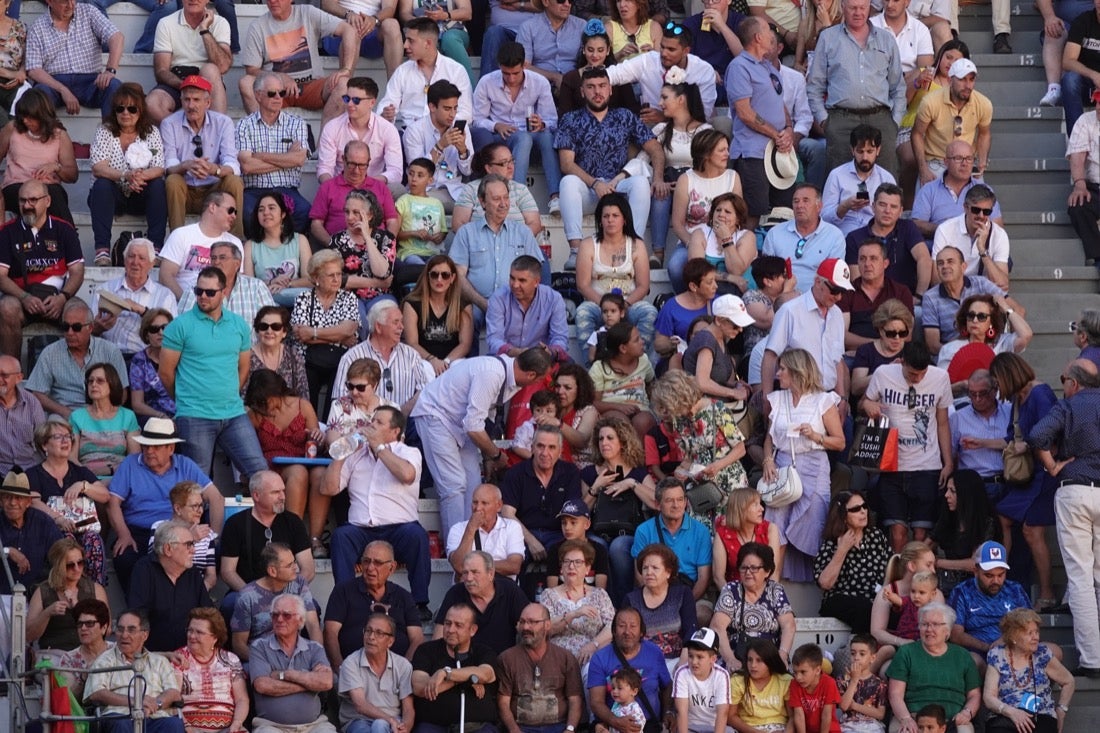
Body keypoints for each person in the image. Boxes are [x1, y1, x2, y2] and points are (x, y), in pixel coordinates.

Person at [412, 348, 554, 539]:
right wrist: (495, 454)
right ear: (531, 374)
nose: (538, 384)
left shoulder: (509, 374)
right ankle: (456, 548)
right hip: (435, 414)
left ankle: (473, 544)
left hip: (459, 422)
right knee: (454, 485)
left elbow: (483, 420)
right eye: (538, 379)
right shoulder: (492, 373)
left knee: (473, 484)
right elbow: (473, 426)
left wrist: (488, 456)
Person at [321, 406, 430, 619]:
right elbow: (328, 489)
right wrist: (341, 454)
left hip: (400, 529)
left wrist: (379, 448)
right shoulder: (357, 455)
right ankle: (347, 601)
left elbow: (407, 475)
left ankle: (420, 603)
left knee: (417, 536)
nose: (371, 425)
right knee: (341, 537)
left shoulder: (409, 452)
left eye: (379, 422)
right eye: (372, 420)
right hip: (361, 529)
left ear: (395, 431)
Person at [160, 265, 267, 481]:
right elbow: (165, 373)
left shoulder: (238, 324)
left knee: (260, 473)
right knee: (197, 483)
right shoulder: (180, 325)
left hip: (233, 413)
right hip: (194, 414)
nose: (203, 297)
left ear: (224, 292)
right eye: (198, 291)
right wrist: (184, 400)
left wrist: (228, 393)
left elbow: (244, 367)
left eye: (210, 292)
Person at [1029, 358, 1100, 676]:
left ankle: (1093, 660)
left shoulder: (1067, 406)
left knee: (1081, 580)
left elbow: (1037, 435)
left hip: (1075, 490)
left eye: (1062, 378)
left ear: (1073, 382)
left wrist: (1052, 465)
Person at [554, 67, 664, 270]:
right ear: (582, 92)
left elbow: (655, 148)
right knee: (567, 182)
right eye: (591, 87)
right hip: (587, 191)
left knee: (640, 183)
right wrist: (595, 184)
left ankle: (633, 248)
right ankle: (576, 251)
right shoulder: (570, 119)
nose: (597, 92)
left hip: (617, 187)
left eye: (603, 86)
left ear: (611, 90)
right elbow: (566, 164)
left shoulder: (624, 116)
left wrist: (657, 177)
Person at [105, 417, 221, 592]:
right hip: (139, 532)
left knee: (214, 553)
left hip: (180, 531)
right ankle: (137, 613)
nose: (149, 451)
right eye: (146, 446)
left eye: (156, 446)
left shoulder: (185, 465)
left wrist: (214, 535)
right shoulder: (130, 464)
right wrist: (123, 534)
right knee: (125, 557)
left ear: (171, 448)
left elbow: (216, 498)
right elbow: (112, 503)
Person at [761, 348, 846, 579]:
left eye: (783, 369)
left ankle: (816, 580)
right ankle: (774, 580)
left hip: (814, 464)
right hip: (783, 465)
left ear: (797, 371)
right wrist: (768, 460)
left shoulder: (823, 400)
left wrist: (815, 436)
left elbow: (840, 442)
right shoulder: (777, 399)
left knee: (813, 520)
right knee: (776, 522)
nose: (778, 374)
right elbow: (769, 438)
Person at [861, 341, 952, 551]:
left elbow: (943, 422)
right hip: (892, 465)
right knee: (897, 533)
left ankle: (918, 580)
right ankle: (897, 579)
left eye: (922, 373)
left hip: (927, 465)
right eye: (912, 374)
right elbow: (863, 402)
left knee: (921, 534)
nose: (917, 378)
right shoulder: (884, 373)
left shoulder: (940, 378)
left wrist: (947, 462)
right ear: (901, 362)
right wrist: (868, 404)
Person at [988, 353, 1058, 607]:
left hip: (1044, 473)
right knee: (1005, 517)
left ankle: (1047, 592)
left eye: (997, 380)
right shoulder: (1019, 399)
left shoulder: (1040, 394)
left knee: (1032, 530)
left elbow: (1052, 431)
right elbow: (1011, 436)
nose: (996, 386)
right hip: (1029, 474)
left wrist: (1026, 445)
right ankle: (1004, 581)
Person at [806, 0, 905, 175]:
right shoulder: (828, 38)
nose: (858, 12)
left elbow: (898, 87)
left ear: (870, 8)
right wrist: (825, 121)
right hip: (841, 121)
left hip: (881, 119)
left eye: (862, 8)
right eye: (852, 8)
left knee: (886, 183)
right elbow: (815, 85)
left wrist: (894, 123)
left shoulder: (886, 39)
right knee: (840, 181)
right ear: (843, 6)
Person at [472, 42, 561, 214]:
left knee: (546, 137)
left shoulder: (539, 82)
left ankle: (555, 197)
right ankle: (515, 195)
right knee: (523, 137)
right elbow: (477, 119)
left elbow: (552, 120)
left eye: (515, 73)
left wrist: (541, 123)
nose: (511, 79)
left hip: (529, 134)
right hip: (500, 136)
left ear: (524, 66)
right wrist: (496, 125)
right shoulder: (487, 82)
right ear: (499, 67)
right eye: (506, 73)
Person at [0, 179, 84, 359]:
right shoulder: (7, 232)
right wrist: (24, 297)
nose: (27, 205)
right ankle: (11, 372)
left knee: (80, 311)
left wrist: (63, 297)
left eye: (33, 200)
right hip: (21, 298)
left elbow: (77, 271)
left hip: (57, 298)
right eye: (22, 201)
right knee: (7, 307)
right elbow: (1, 276)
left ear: (47, 201)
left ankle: (78, 374)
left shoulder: (64, 229)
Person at [238, 0, 357, 127]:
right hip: (276, 91)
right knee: (246, 83)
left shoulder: (307, 13)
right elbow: (251, 70)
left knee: (344, 83)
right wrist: (279, 78)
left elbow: (348, 30)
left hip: (311, 86)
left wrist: (346, 69)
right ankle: (267, 139)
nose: (272, 1)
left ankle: (325, 144)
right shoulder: (257, 26)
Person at [580, 415, 658, 603]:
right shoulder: (589, 473)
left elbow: (657, 502)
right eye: (600, 439)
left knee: (619, 546)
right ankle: (600, 601)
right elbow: (580, 513)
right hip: (598, 531)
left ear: (622, 442)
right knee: (596, 545)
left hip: (629, 533)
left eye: (610, 438)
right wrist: (595, 487)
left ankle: (624, 601)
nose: (604, 443)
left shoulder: (637, 472)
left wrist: (632, 484)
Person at [218, 469, 314, 618]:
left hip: (288, 592)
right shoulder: (235, 524)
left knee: (314, 609)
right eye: (275, 492)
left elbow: (308, 568)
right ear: (256, 495)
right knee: (230, 605)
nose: (283, 496)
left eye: (283, 491)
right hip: (248, 590)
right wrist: (252, 595)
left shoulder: (293, 522)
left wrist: (288, 595)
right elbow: (227, 571)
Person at [159, 76, 245, 239]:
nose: (191, 105)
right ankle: (176, 240)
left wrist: (215, 170)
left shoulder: (223, 122)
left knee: (234, 181)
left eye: (196, 100)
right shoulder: (169, 124)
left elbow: (233, 164)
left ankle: (235, 241)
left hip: (214, 192)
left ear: (208, 102)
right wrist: (186, 166)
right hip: (186, 191)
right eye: (187, 100)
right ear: (181, 101)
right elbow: (169, 166)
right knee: (173, 181)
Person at [88, 85, 168, 261]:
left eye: (132, 109)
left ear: (140, 111)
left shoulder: (151, 132)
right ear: (114, 111)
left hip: (140, 194)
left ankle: (155, 247)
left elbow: (159, 167)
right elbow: (98, 167)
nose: (126, 113)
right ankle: (102, 249)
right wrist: (126, 175)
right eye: (120, 108)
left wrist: (139, 176)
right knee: (101, 184)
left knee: (158, 185)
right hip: (113, 195)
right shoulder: (105, 130)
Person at [449, 174, 544, 322]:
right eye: (496, 199)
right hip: (477, 303)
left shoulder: (523, 232)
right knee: (468, 316)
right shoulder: (466, 233)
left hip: (516, 301)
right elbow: (458, 276)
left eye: (506, 198)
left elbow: (535, 274)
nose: (503, 204)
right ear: (482, 202)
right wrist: (483, 303)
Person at [26, 420, 109, 585]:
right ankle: (66, 589)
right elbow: (33, 502)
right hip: (51, 531)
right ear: (44, 445)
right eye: (58, 437)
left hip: (83, 528)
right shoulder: (33, 473)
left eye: (68, 436)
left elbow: (105, 495)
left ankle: (94, 590)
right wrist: (57, 519)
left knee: (93, 540)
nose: (65, 441)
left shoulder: (80, 472)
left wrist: (83, 486)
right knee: (66, 542)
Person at [324, 540, 424, 667]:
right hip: (352, 672)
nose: (370, 568)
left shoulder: (403, 596)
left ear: (392, 567)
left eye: (377, 562)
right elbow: (330, 633)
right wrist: (341, 672)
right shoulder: (343, 591)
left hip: (395, 674)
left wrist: (404, 671)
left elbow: (417, 639)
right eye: (366, 561)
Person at [83, 609, 184, 733]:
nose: (124, 635)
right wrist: (136, 702)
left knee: (173, 725)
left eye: (131, 630)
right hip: (120, 715)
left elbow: (173, 692)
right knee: (120, 724)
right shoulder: (105, 660)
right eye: (120, 629)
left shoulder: (159, 661)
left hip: (153, 715)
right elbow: (96, 693)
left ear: (144, 635)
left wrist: (155, 704)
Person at [886, 603, 981, 733]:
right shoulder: (906, 652)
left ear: (947, 630)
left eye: (935, 624)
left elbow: (974, 694)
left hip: (951, 720)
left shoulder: (962, 656)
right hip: (914, 718)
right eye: (924, 624)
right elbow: (895, 694)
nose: (929, 629)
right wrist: (905, 718)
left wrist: (967, 713)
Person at [26, 299, 128, 419]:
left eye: (76, 327)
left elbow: (122, 392)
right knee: (56, 432)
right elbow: (36, 392)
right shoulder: (50, 352)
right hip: (64, 414)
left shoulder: (110, 351)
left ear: (90, 328)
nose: (69, 332)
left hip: (103, 411)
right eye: (65, 327)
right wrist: (64, 412)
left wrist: (106, 411)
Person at [249, 594, 338, 733]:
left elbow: (326, 682)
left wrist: (286, 675)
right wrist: (309, 683)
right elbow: (263, 685)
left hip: (314, 725)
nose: (279, 619)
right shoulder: (259, 647)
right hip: (271, 726)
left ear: (300, 620)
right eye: (275, 615)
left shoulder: (314, 648)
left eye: (287, 615)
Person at [648, 82, 714, 270]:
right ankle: (658, 253)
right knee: (660, 194)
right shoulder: (661, 129)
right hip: (667, 183)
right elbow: (644, 157)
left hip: (694, 183)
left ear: (681, 100)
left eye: (664, 97)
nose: (660, 103)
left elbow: (710, 165)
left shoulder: (704, 131)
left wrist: (687, 183)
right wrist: (657, 179)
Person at [235, 72, 312, 233]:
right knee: (248, 213)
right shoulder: (244, 125)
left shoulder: (297, 123)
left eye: (281, 93)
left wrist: (261, 156)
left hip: (287, 189)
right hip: (254, 190)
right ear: (258, 96)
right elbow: (247, 166)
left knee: (305, 211)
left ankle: (291, 253)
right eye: (272, 93)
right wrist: (286, 160)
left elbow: (298, 160)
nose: (278, 97)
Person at [245, 369, 324, 520]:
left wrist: (315, 437)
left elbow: (317, 448)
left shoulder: (303, 406)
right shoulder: (255, 414)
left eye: (265, 401)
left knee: (310, 473)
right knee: (298, 472)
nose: (263, 406)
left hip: (303, 461)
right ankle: (293, 531)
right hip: (271, 466)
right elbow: (248, 449)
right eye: (258, 403)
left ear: (277, 393)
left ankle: (305, 535)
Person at [500, 423, 584, 562]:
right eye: (540, 446)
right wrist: (531, 541)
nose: (545, 453)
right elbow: (507, 513)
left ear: (560, 451)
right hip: (523, 535)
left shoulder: (570, 472)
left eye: (552, 447)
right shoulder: (515, 473)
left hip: (559, 534)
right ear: (532, 448)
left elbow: (573, 511)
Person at [291, 249, 362, 413]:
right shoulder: (304, 298)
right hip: (308, 358)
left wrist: (313, 333)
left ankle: (331, 429)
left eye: (339, 274)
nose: (337, 279)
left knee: (340, 382)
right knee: (308, 388)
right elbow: (301, 335)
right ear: (316, 278)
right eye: (331, 275)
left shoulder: (348, 298)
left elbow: (349, 330)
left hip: (340, 359)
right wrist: (339, 337)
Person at [411, 603, 500, 733]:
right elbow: (420, 687)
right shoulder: (426, 650)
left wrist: (445, 673)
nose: (450, 629)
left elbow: (486, 674)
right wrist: (466, 680)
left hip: (476, 726)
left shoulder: (483, 652)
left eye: (458, 625)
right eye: (447, 623)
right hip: (434, 726)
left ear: (472, 630)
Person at [128, 519, 215, 652]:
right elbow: (137, 618)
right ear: (168, 549)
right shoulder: (144, 570)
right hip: (154, 656)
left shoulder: (192, 572)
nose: (193, 550)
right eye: (189, 545)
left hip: (191, 653)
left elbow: (208, 613)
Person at [26, 0, 123, 119]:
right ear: (49, 2)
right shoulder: (37, 27)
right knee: (38, 94)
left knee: (114, 86)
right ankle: (50, 136)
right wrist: (62, 89)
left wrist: (110, 70)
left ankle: (110, 135)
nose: (70, 5)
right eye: (64, 2)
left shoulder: (88, 12)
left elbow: (116, 37)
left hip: (91, 83)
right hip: (55, 84)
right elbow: (33, 70)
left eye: (73, 0)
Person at [982, 608, 1074, 733]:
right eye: (1029, 633)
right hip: (1005, 715)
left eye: (1036, 632)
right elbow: (989, 697)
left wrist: (1061, 710)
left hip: (1040, 715)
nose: (1035, 637)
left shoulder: (1042, 654)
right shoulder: (997, 655)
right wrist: (1011, 712)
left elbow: (1068, 681)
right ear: (1013, 636)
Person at [498, 602, 585, 733]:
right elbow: (503, 702)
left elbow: (575, 699)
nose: (526, 627)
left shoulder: (566, 658)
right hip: (521, 727)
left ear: (547, 625)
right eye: (522, 622)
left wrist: (570, 729)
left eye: (532, 622)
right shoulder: (507, 658)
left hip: (558, 727)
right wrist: (514, 730)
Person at [710, 542, 796, 671]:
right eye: (744, 568)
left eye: (754, 568)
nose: (748, 572)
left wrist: (782, 655)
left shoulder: (775, 590)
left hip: (769, 658)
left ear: (767, 571)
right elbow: (717, 627)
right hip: (737, 656)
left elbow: (789, 626)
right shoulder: (731, 590)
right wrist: (730, 659)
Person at [606, 22, 718, 121]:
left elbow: (703, 115)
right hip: (651, 127)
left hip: (690, 130)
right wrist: (592, 76)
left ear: (686, 51)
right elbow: (614, 74)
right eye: (662, 47)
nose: (664, 53)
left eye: (671, 49)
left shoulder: (704, 70)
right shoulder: (648, 60)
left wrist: (664, 117)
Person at [586, 607, 673, 733]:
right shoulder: (600, 658)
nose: (627, 631)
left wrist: (668, 712)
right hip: (611, 724)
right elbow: (596, 702)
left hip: (648, 725)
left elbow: (667, 685)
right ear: (614, 631)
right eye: (622, 626)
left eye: (633, 626)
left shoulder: (654, 652)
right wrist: (616, 721)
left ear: (642, 632)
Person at [814, 491, 891, 633]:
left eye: (864, 506)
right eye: (856, 509)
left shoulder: (876, 536)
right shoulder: (832, 543)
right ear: (843, 516)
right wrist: (842, 550)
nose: (863, 511)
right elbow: (825, 583)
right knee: (865, 608)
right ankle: (855, 649)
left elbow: (892, 567)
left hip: (875, 598)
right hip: (841, 599)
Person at [231, 542, 322, 662]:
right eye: (289, 565)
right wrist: (267, 661)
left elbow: (313, 625)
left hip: (294, 655)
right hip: (261, 658)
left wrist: (318, 658)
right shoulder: (247, 597)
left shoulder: (299, 583)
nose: (296, 567)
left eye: (294, 561)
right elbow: (239, 645)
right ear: (272, 571)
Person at [146, 0, 232, 123]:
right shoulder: (166, 23)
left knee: (211, 70)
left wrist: (204, 30)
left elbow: (223, 66)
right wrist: (186, 85)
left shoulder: (220, 23)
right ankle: (183, 134)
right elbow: (161, 70)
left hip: (207, 79)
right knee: (152, 104)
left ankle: (215, 134)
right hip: (176, 79)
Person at [911, 59, 993, 187]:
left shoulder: (984, 103)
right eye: (962, 79)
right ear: (950, 80)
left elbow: (984, 134)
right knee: (926, 201)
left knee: (981, 201)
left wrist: (982, 160)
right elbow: (917, 134)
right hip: (936, 161)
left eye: (971, 80)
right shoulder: (930, 101)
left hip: (966, 162)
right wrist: (923, 169)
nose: (968, 85)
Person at [91, 238, 177, 359]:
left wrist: (143, 312)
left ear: (152, 264)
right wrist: (98, 328)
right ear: (125, 261)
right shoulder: (105, 290)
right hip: (108, 357)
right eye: (131, 256)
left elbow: (171, 336)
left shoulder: (165, 296)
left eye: (142, 258)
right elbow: (88, 332)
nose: (135, 262)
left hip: (147, 359)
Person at [948, 540, 1032, 663]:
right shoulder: (962, 592)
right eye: (989, 576)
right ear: (975, 571)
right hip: (979, 653)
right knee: (972, 661)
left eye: (1001, 575)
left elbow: (1031, 624)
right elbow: (956, 634)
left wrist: (1006, 640)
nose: (996, 581)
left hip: (1015, 648)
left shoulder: (1015, 589)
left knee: (1054, 651)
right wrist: (988, 647)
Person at [317, 76, 404, 195]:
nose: (350, 104)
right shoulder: (332, 127)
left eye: (356, 100)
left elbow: (395, 172)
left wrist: (368, 184)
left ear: (372, 102)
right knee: (325, 188)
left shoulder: (387, 129)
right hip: (341, 188)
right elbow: (324, 169)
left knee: (398, 190)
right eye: (347, 98)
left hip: (374, 187)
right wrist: (332, 187)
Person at [380, 17, 474, 128]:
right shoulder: (402, 71)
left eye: (411, 41)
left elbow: (466, 114)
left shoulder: (456, 70)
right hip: (409, 132)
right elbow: (385, 105)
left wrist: (438, 126)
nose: (405, 45)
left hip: (446, 133)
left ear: (427, 43)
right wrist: (385, 115)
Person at [25, 538, 109, 655]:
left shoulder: (95, 589)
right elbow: (29, 635)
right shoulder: (43, 591)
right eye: (70, 565)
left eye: (80, 563)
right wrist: (47, 613)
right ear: (58, 566)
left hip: (89, 653)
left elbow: (107, 629)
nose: (77, 568)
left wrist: (79, 609)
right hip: (54, 654)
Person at [402, 79, 474, 214]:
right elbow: (417, 173)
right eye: (447, 109)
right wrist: (440, 146)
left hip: (455, 190)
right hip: (425, 190)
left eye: (455, 108)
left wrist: (463, 151)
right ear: (432, 107)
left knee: (483, 202)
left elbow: (468, 171)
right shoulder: (414, 131)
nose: (452, 114)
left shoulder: (462, 129)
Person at [434, 551, 528, 654]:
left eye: (475, 572)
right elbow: (439, 636)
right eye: (465, 573)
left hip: (503, 663)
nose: (469, 578)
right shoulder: (455, 593)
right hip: (464, 665)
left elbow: (529, 625)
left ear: (490, 574)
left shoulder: (510, 591)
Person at [173, 607, 249, 733]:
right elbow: (173, 699)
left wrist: (237, 723)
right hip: (189, 728)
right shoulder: (178, 658)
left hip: (227, 728)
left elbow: (242, 699)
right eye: (190, 630)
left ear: (215, 638)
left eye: (199, 632)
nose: (192, 636)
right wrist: (186, 726)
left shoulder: (230, 659)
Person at [623, 542, 699, 668]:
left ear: (668, 572)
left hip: (676, 660)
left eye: (655, 568)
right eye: (645, 568)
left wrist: (682, 664)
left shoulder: (682, 594)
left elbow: (691, 631)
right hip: (642, 663)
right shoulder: (631, 599)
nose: (649, 572)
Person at [157, 190, 243, 299]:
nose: (234, 216)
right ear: (212, 207)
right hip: (186, 307)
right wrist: (187, 303)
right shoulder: (181, 235)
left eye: (235, 212)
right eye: (230, 210)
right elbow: (165, 275)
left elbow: (239, 282)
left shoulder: (235, 243)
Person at [338, 613, 415, 733]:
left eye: (379, 633)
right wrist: (389, 720)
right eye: (368, 631)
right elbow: (360, 705)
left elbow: (408, 709)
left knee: (380, 725)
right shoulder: (351, 663)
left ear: (390, 641)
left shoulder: (403, 666)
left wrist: (405, 728)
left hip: (393, 721)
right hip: (359, 720)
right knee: (377, 725)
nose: (371, 637)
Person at [910, 139, 1003, 239]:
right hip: (940, 246)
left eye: (969, 158)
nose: (965, 163)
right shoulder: (928, 190)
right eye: (958, 158)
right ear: (946, 162)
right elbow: (917, 224)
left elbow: (997, 225)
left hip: (975, 246)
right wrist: (948, 230)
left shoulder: (984, 190)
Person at [487, 255, 569, 360]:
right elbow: (494, 339)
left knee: (570, 367)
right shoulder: (498, 298)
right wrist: (514, 352)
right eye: (512, 278)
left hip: (542, 360)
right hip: (507, 358)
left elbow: (560, 337)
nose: (515, 285)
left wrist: (551, 351)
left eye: (522, 280)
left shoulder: (553, 299)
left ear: (536, 282)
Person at [839, 240, 914, 354]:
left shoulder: (900, 292)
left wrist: (880, 347)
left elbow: (907, 335)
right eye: (862, 259)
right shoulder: (846, 292)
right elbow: (842, 336)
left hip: (894, 356)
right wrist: (877, 345)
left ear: (885, 263)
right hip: (857, 355)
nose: (867, 264)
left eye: (873, 258)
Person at [401, 254, 474, 372]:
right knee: (426, 370)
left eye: (445, 275)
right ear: (428, 277)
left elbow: (465, 344)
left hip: (452, 361)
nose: (439, 280)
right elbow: (412, 343)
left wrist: (446, 362)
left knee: (459, 367)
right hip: (423, 360)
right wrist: (432, 360)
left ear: (452, 278)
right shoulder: (412, 303)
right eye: (434, 275)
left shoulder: (463, 305)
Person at [822, 125, 897, 237]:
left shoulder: (886, 178)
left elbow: (894, 216)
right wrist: (844, 206)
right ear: (852, 150)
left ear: (878, 150)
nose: (865, 157)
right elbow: (824, 217)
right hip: (844, 236)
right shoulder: (837, 175)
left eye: (870, 151)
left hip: (876, 236)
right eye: (860, 151)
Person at [557, 20, 641, 117]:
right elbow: (564, 116)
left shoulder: (619, 75)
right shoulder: (570, 78)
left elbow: (632, 111)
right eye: (590, 50)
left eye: (600, 50)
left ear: (608, 50)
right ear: (583, 49)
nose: (595, 55)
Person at [70, 362, 138, 477]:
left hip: (120, 478)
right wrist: (87, 476)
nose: (93, 385)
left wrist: (109, 471)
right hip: (85, 480)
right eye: (90, 381)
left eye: (100, 381)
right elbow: (71, 458)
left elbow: (134, 458)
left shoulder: (128, 416)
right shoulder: (76, 416)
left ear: (112, 385)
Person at [935, 294, 1031, 376]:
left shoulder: (1002, 344)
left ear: (991, 322)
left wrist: (1006, 308)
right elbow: (943, 386)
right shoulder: (951, 349)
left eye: (981, 317)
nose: (975, 320)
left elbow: (1026, 335)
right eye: (971, 315)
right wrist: (963, 386)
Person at [949, 370, 1011, 496]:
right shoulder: (958, 418)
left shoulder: (1009, 411)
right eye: (972, 394)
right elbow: (951, 455)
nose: (977, 399)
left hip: (1009, 481)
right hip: (974, 485)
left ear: (994, 390)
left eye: (983, 394)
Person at [447, 483, 525, 580]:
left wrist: (474, 568)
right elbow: (459, 566)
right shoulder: (457, 529)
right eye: (475, 502)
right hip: (468, 591)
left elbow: (514, 566)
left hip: (502, 591)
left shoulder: (512, 527)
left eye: (484, 503)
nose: (478, 508)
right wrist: (471, 529)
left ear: (499, 506)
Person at [149, 480, 217, 590]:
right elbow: (154, 561)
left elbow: (211, 576)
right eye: (194, 506)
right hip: (163, 588)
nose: (200, 510)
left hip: (196, 590)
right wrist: (191, 538)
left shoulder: (207, 535)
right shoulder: (159, 527)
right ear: (178, 509)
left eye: (201, 505)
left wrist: (199, 593)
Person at [713, 489, 780, 585]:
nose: (762, 508)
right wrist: (733, 598)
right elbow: (718, 577)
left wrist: (767, 598)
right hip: (733, 593)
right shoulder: (723, 534)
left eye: (760, 504)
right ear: (741, 509)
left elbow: (774, 573)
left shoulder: (770, 529)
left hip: (764, 593)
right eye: (755, 504)